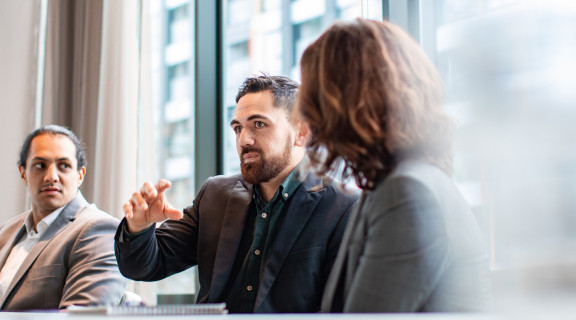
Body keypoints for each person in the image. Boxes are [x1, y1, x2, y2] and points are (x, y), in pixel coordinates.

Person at [114, 75, 358, 313]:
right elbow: (144, 266)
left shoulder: (344, 207)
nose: (244, 139)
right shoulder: (215, 194)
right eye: (238, 128)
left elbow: (340, 311)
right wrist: (139, 227)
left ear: (301, 133)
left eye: (259, 124)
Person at [297, 19, 493, 312]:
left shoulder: (407, 192)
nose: (311, 117)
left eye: (318, 99)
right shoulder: (403, 182)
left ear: (348, 103)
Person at [0, 125, 127, 311]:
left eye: (64, 166)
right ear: (23, 173)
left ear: (80, 175)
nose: (51, 177)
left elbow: (82, 317)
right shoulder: (5, 231)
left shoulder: (100, 230)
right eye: (40, 165)